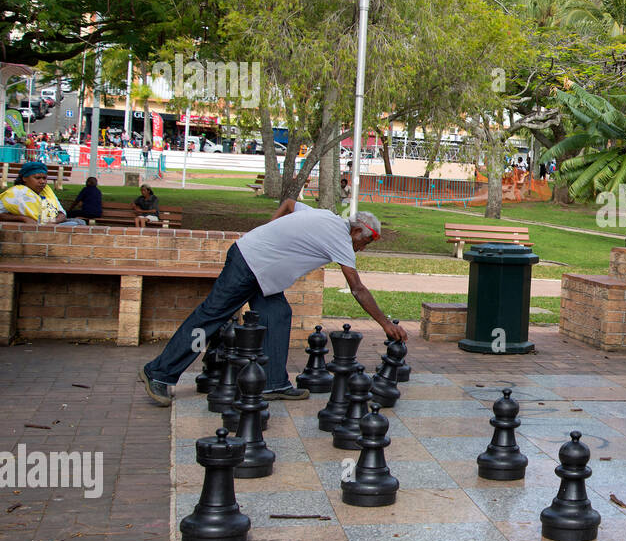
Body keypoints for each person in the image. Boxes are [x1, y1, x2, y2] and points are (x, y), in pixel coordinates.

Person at [139, 201, 404, 406]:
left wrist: (267, 232)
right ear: (356, 230)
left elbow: (289, 203)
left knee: (277, 314)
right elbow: (356, 288)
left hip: (262, 272)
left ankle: (273, 383)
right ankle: (159, 373)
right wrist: (384, 325)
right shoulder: (340, 237)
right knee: (211, 317)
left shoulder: (326, 216)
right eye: (366, 241)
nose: (364, 248)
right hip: (248, 264)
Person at [0, 161, 76, 225]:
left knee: (77, 223)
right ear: (24, 178)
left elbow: (62, 214)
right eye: (37, 178)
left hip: (49, 228)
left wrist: (53, 221)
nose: (42, 182)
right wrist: (23, 218)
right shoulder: (16, 193)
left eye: (44, 178)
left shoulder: (47, 192)